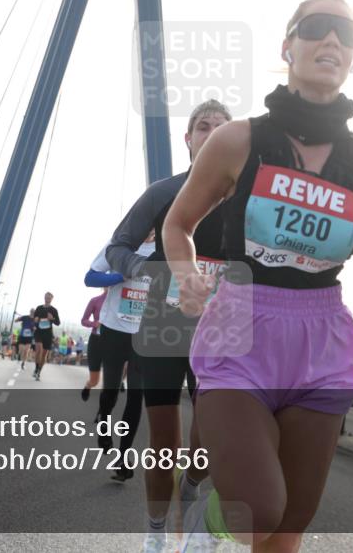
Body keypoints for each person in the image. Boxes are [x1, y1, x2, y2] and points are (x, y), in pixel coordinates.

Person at [163, 0, 353, 551]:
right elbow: (177, 225)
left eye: (346, 32)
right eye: (317, 28)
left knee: (289, 525)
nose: (333, 41)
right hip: (239, 328)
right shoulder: (236, 141)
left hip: (322, 343)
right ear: (287, 46)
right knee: (259, 513)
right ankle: (205, 514)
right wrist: (186, 275)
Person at [103, 99, 231, 552]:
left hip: (221, 329)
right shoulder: (162, 193)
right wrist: (149, 271)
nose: (211, 132)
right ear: (188, 139)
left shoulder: (249, 200)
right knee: (164, 441)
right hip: (163, 321)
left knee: (214, 433)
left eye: (221, 126)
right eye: (202, 126)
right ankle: (155, 535)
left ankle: (193, 484)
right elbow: (117, 246)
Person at [85, 234, 155, 481]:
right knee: (111, 392)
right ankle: (104, 424)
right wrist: (120, 276)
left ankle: (123, 458)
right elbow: (90, 278)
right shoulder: (119, 246)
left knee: (136, 396)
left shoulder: (165, 247)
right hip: (114, 329)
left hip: (143, 333)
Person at [80, 290, 106, 401]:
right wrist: (95, 324)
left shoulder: (122, 301)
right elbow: (84, 320)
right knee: (94, 381)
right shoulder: (95, 300)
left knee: (109, 383)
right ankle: (88, 386)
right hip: (96, 341)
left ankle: (103, 411)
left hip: (114, 342)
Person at [32, 293, 60, 380]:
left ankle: (39, 372)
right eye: (46, 297)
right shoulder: (39, 308)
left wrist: (52, 319)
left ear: (52, 299)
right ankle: (36, 368)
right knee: (39, 350)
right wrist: (36, 320)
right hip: (39, 332)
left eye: (49, 298)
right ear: (44, 298)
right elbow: (34, 319)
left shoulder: (54, 310)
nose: (47, 299)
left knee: (44, 355)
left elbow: (58, 323)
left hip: (48, 334)